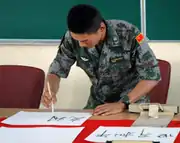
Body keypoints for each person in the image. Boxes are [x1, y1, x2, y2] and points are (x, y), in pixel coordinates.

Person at [41, 4, 161, 116]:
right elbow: (56, 71)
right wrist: (50, 89)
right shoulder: (72, 38)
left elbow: (152, 77)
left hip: (132, 104)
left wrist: (122, 103)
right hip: (98, 104)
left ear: (101, 29)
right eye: (77, 40)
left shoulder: (129, 34)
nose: (80, 45)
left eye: (85, 41)